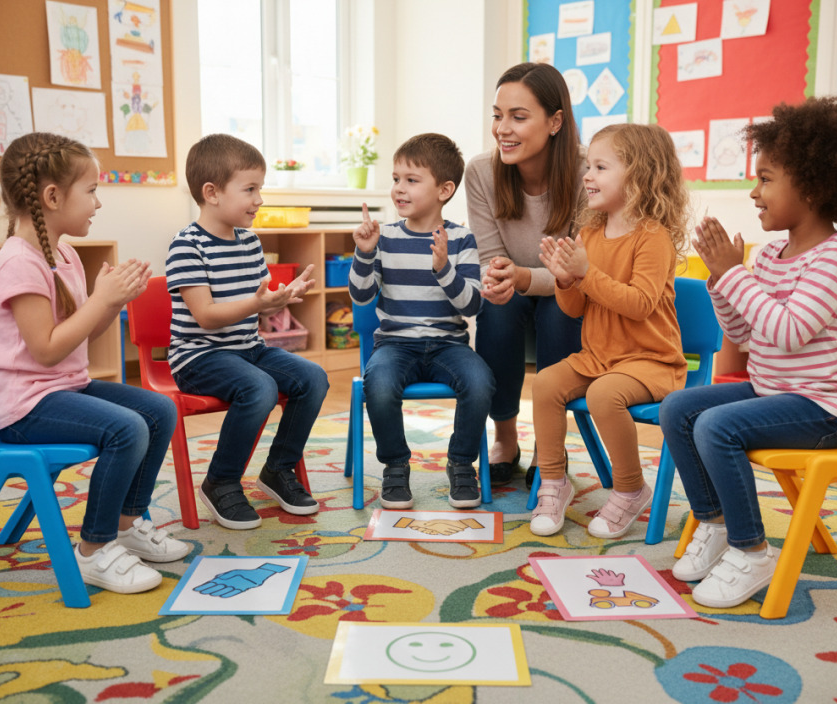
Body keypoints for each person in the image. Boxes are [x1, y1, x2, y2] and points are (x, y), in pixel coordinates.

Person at [660, 97, 837, 609]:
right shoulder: (769, 255)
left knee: (716, 427)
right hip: (774, 393)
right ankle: (718, 523)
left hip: (824, 408)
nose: (754, 192)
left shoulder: (835, 258)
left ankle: (753, 550)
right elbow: (743, 331)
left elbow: (787, 332)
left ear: (812, 187)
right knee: (679, 408)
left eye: (765, 179)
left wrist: (734, 274)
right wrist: (724, 280)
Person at [0, 132, 187, 595]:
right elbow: (47, 349)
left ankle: (126, 522)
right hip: (22, 405)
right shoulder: (19, 262)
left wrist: (111, 304)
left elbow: (82, 336)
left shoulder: (65, 254)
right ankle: (93, 549)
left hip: (60, 389)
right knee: (126, 428)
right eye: (91, 190)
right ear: (52, 197)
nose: (98, 202)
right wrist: (101, 301)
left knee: (159, 411)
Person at [529, 123, 690, 537]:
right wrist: (566, 279)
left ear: (639, 176)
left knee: (604, 394)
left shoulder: (653, 238)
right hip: (600, 357)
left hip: (651, 361)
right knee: (545, 384)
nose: (587, 175)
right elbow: (575, 308)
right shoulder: (589, 234)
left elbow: (639, 304)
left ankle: (631, 488)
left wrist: (586, 273)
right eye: (588, 166)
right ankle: (553, 481)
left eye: (600, 167)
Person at [167, 134, 329, 530]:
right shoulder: (187, 247)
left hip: (247, 347)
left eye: (260, 188)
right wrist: (261, 303)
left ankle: (278, 469)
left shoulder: (250, 242)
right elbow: (205, 316)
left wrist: (283, 296)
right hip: (199, 355)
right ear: (212, 193)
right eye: (250, 189)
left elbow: (259, 297)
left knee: (313, 377)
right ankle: (220, 481)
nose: (259, 199)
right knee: (258, 388)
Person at [349, 133, 495, 509]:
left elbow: (472, 306)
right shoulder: (384, 238)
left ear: (444, 189)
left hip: (449, 346)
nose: (399, 188)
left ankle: (462, 464)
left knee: (480, 382)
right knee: (378, 385)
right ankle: (395, 466)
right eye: (396, 178)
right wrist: (364, 254)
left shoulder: (461, 239)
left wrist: (444, 268)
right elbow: (362, 297)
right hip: (395, 345)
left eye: (411, 180)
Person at [465, 62, 587, 487]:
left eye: (518, 117)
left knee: (559, 308)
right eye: (498, 115)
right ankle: (505, 438)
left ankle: (549, 446)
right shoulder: (481, 171)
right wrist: (502, 278)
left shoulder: (588, 172)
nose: (503, 128)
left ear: (555, 122)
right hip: (515, 292)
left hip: (572, 293)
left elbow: (579, 272)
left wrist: (522, 277)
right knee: (497, 308)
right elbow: (491, 257)